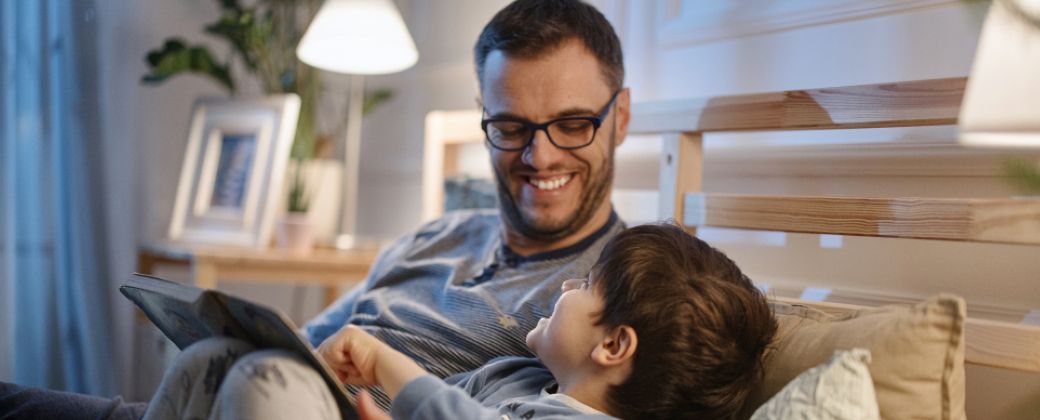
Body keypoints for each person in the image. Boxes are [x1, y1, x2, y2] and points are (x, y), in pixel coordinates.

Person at [0, 0, 635, 418]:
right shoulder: (438, 234)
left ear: (621, 116)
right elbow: (309, 339)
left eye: (574, 123)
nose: (540, 155)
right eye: (511, 126)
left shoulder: (614, 293)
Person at [317, 223, 778, 419]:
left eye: (586, 284)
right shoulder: (516, 376)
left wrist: (383, 363)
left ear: (614, 346)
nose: (565, 287)